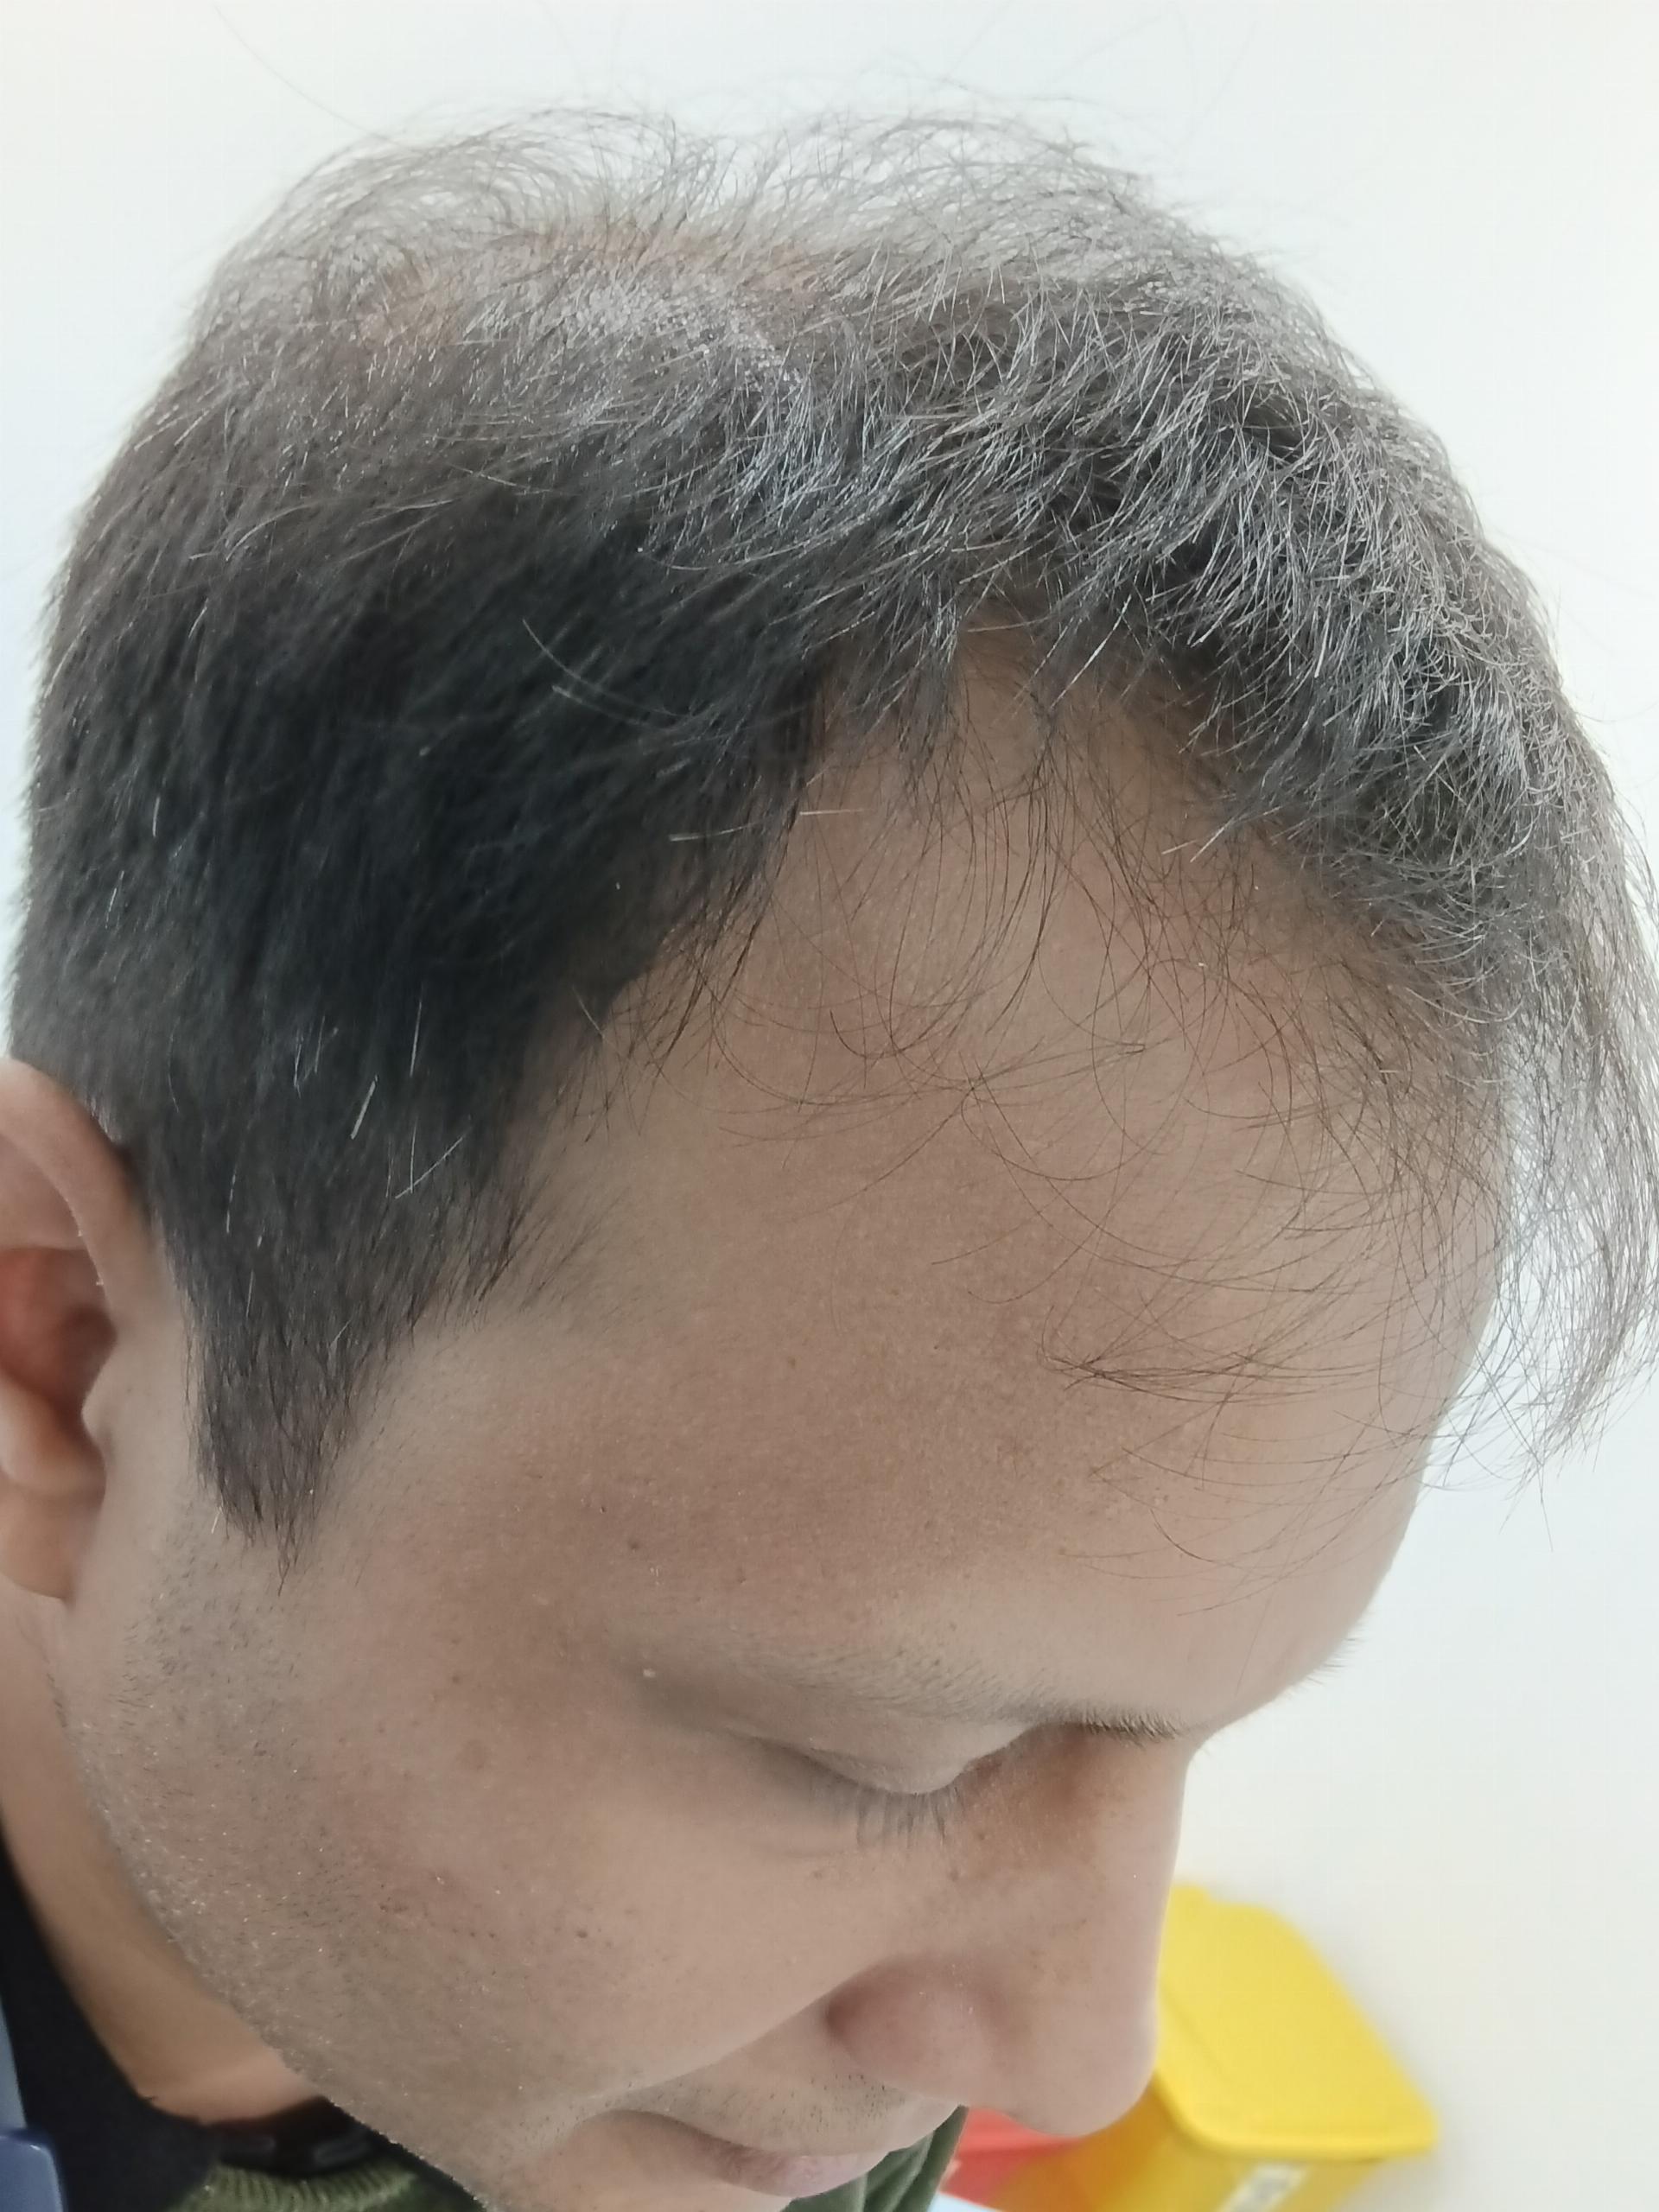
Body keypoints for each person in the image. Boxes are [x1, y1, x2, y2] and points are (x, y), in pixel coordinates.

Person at [0, 111, 1654, 2212]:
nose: (1081, 2046)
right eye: (877, 1764)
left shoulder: (731, 2078)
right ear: (64, 1348)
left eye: (1182, 1740)